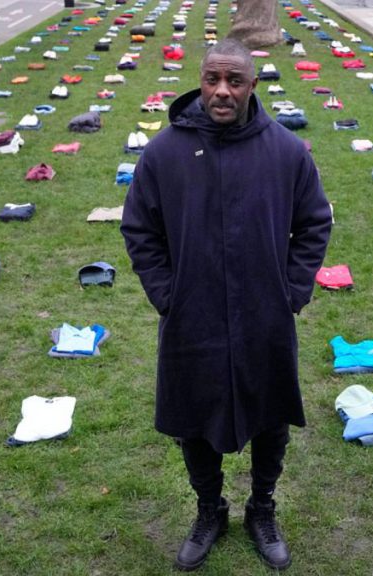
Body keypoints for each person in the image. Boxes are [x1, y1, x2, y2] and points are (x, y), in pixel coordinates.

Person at [120, 39, 332, 572]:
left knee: (270, 411)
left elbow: (314, 223)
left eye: (234, 81)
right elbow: (139, 228)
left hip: (265, 310)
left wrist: (292, 291)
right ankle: (209, 509)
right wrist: (166, 293)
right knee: (193, 414)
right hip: (192, 313)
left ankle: (263, 508)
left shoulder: (285, 151)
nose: (221, 90)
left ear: (252, 86)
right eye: (213, 78)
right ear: (200, 78)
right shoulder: (164, 151)